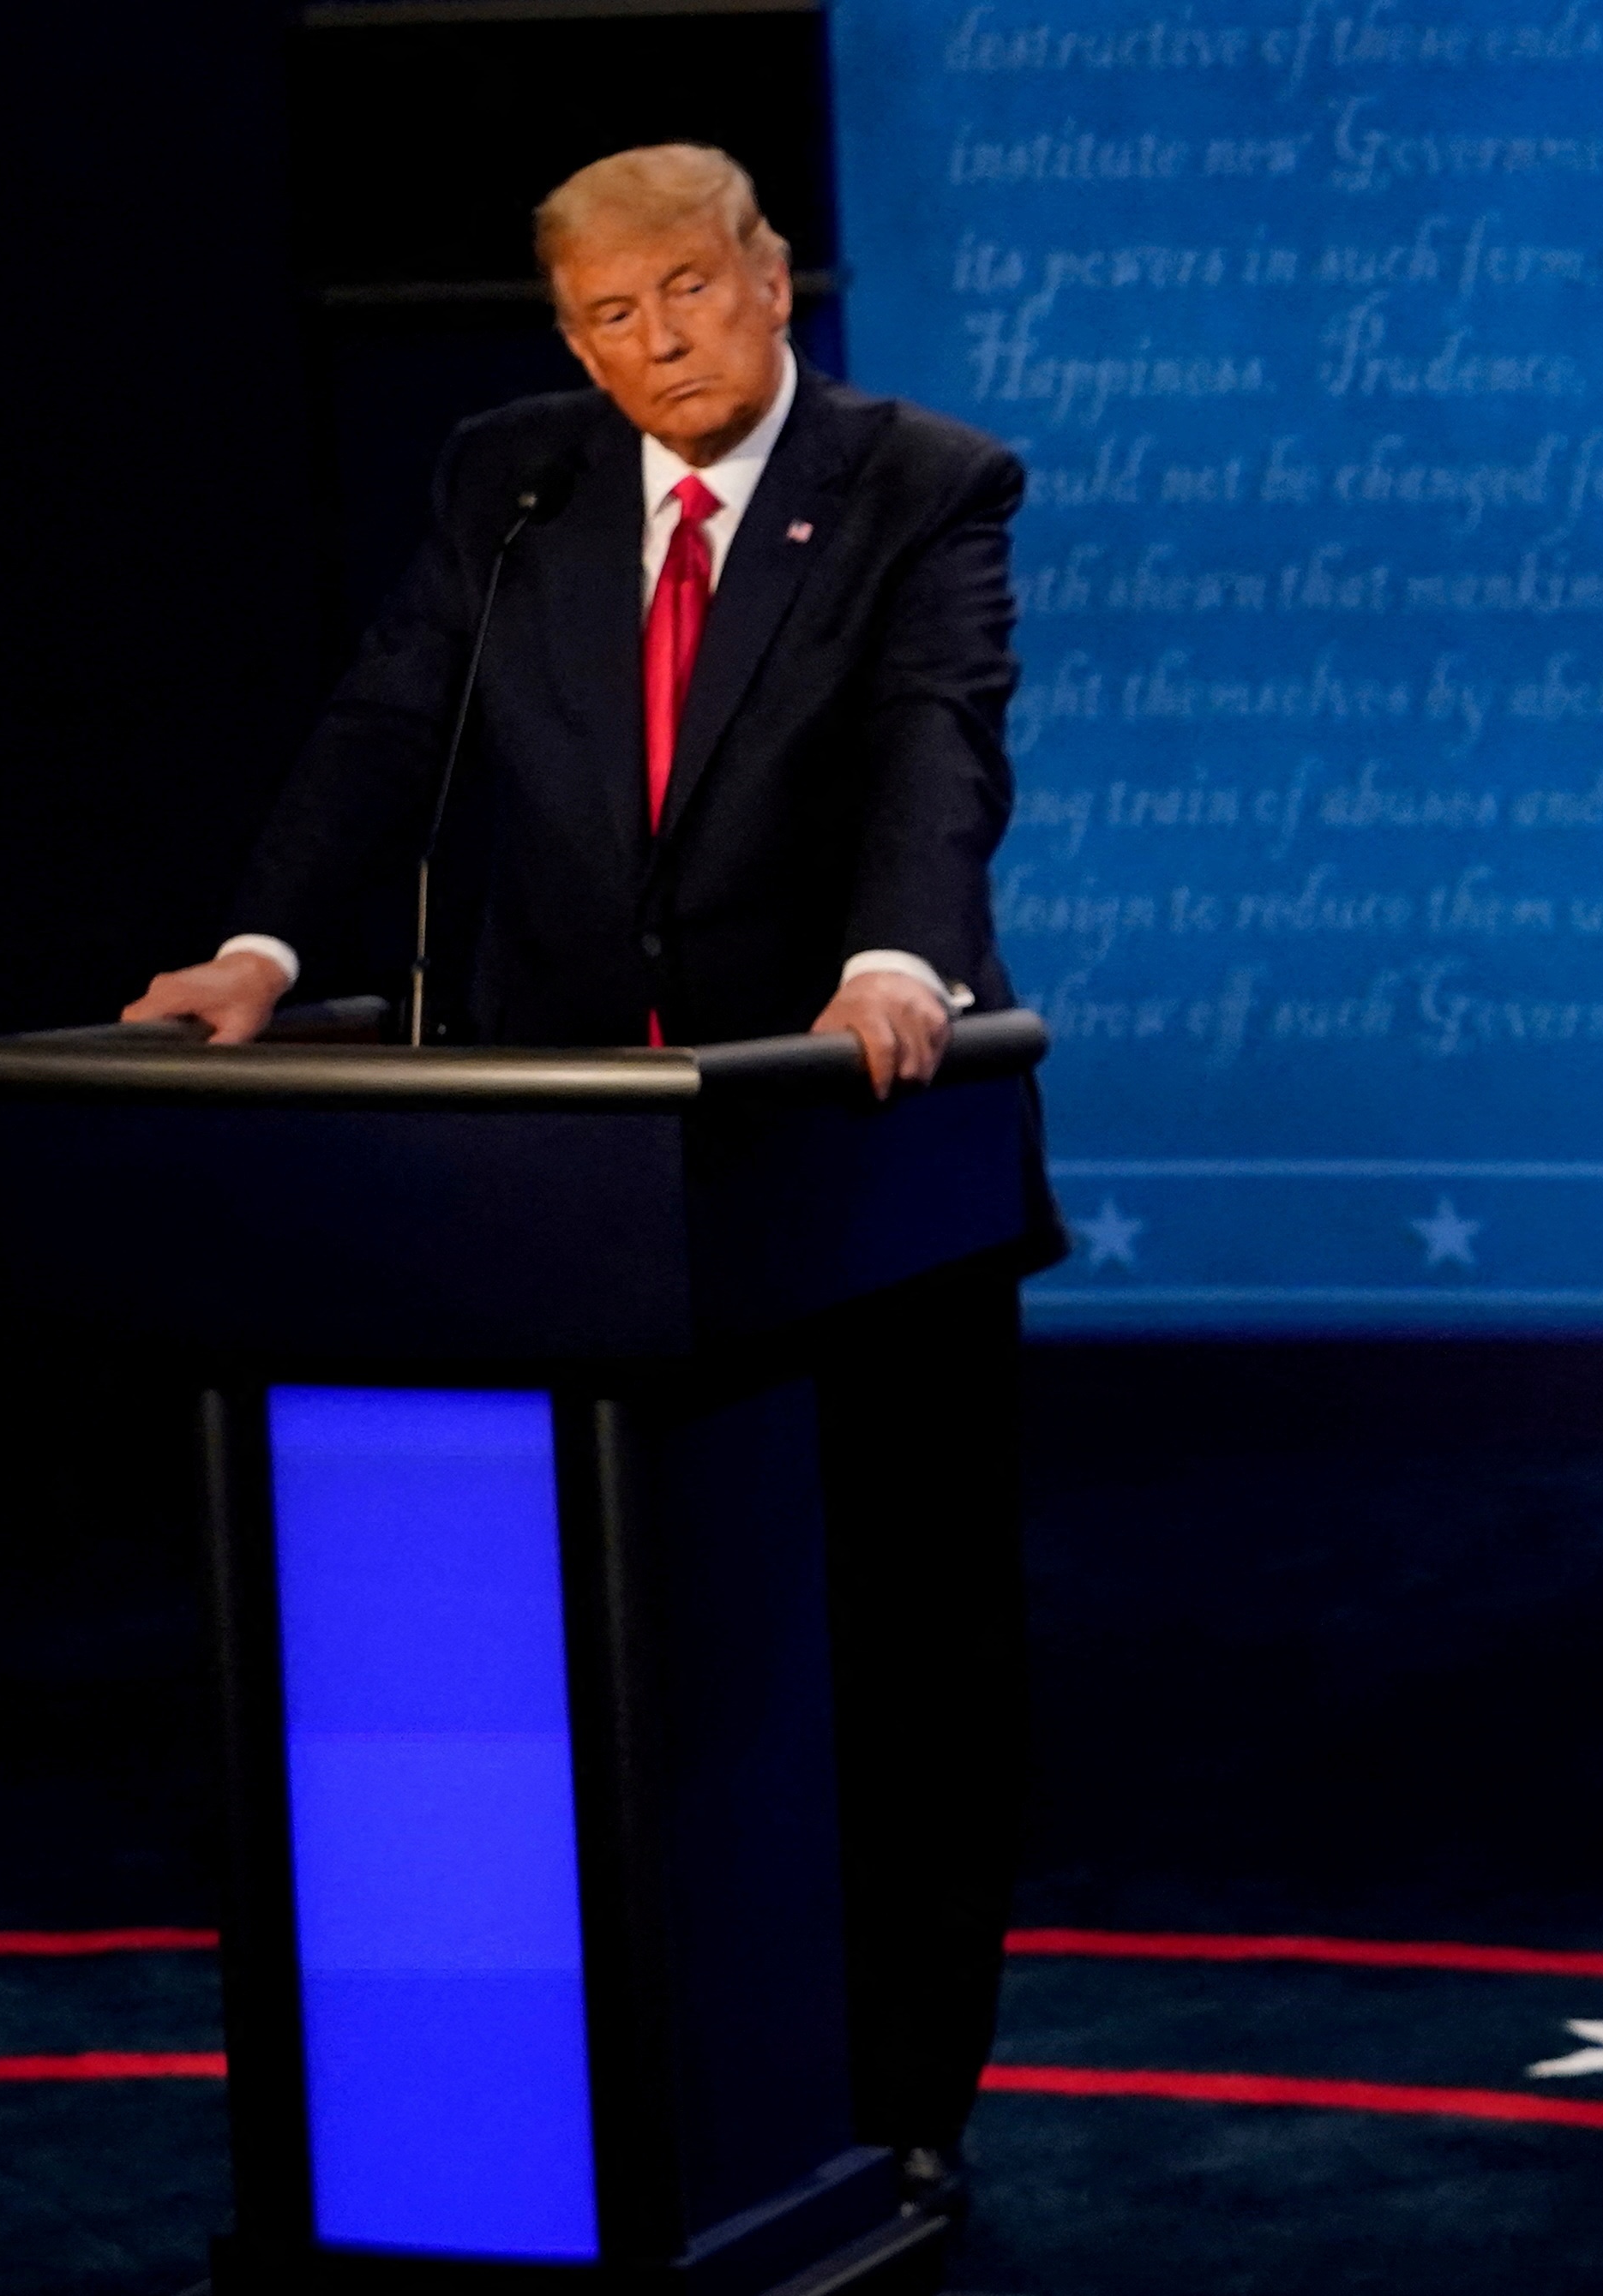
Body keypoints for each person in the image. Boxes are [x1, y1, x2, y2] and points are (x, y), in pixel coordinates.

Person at [128, 144, 1038, 2222]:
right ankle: (585, 2113)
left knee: (893, 1659)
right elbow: (384, 723)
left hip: (845, 1160)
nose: (655, 349)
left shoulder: (924, 481)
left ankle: (901, 2099)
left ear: (770, 275)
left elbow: (935, 737)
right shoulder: (513, 481)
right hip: (552, 1191)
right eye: (606, 318)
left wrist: (897, 955)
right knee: (600, 1667)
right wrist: (263, 949)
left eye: (686, 298)